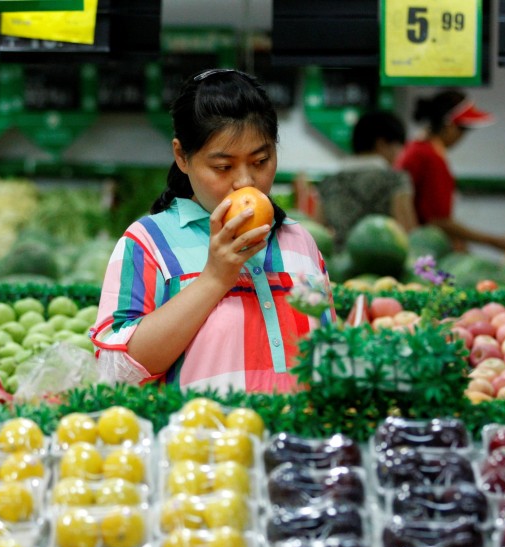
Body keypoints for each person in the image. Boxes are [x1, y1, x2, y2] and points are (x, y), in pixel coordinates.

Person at [92, 68, 332, 394]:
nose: (245, 182)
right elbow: (115, 372)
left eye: (261, 161)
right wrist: (215, 278)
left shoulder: (299, 241)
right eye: (223, 167)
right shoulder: (148, 243)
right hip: (199, 441)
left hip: (297, 440)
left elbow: (329, 350)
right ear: (182, 156)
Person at [396, 89, 505, 253]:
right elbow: (438, 220)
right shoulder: (429, 157)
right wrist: (493, 240)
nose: (463, 137)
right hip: (422, 250)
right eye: (463, 129)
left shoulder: (415, 149)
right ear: (449, 125)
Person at [315, 109, 418, 248]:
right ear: (382, 143)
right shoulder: (395, 180)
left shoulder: (329, 183)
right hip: (383, 263)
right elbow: (408, 232)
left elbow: (317, 234)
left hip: (338, 265)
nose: (399, 154)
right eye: (398, 147)